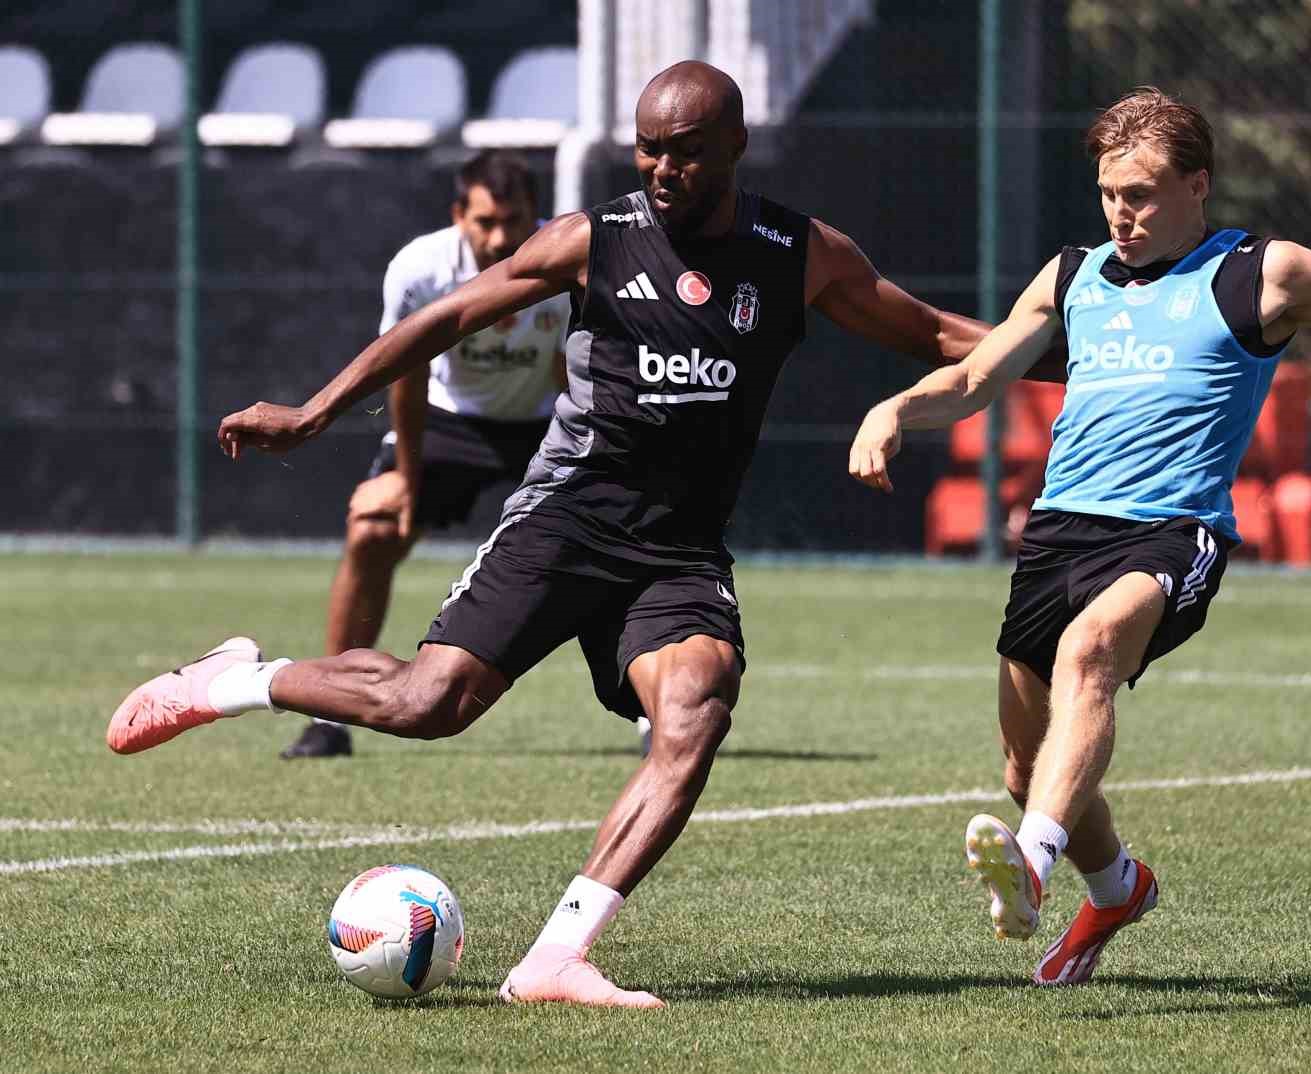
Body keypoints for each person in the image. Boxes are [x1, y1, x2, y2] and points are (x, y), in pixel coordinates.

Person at [103, 61, 1041, 1009]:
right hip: (568, 517)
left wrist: (1073, 354)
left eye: (685, 152)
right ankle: (236, 680)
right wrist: (315, 412)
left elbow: (932, 332)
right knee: (430, 704)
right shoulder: (594, 239)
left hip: (678, 549)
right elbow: (445, 317)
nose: (662, 168)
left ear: (735, 147)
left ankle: (556, 957)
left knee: (696, 708)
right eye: (647, 148)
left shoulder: (798, 252)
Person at [848, 86, 1311, 989]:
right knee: (1024, 763)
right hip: (1058, 534)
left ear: (1197, 185)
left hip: (1174, 532)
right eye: (1108, 195)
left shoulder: (1263, 274)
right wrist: (895, 410)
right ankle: (1117, 887)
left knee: (1091, 654)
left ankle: (1033, 867)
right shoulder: (1072, 276)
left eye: (1141, 194)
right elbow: (975, 377)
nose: (1120, 215)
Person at [283, 151, 571, 760]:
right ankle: (328, 719)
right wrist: (407, 481)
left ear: (535, 216)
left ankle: (649, 720)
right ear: (458, 215)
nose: (500, 239)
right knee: (372, 528)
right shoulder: (420, 269)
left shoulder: (569, 259)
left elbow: (573, 370)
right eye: (485, 222)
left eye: (514, 221)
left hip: (544, 422)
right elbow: (407, 376)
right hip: (448, 422)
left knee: (608, 544)